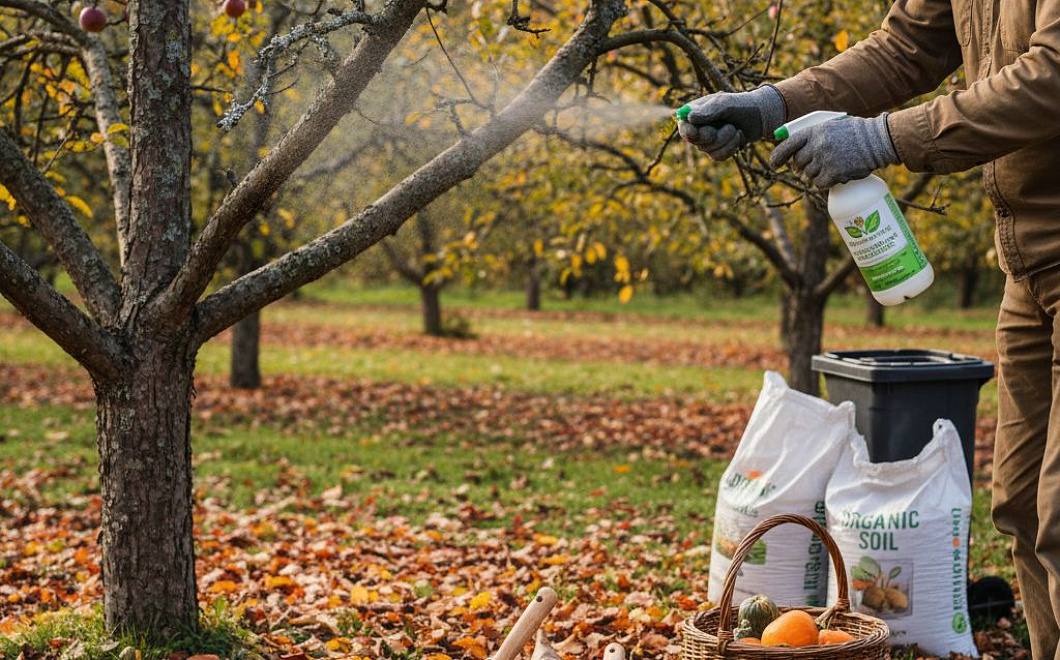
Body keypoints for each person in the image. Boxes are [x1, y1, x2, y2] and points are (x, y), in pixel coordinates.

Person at [676, 0, 1060, 655]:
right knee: (1021, 506)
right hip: (1029, 263)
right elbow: (904, 48)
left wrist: (883, 138)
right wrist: (773, 105)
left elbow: (1050, 76)